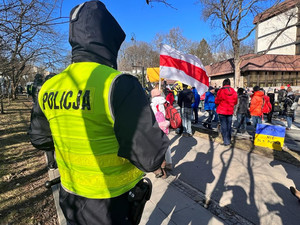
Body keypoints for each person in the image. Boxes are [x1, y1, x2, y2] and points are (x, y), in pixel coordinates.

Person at [28, 1, 169, 224]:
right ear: (110, 39)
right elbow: (150, 158)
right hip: (112, 203)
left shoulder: (49, 87)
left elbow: (39, 139)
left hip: (70, 196)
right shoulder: (119, 84)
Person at [215, 78, 238, 146]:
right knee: (229, 126)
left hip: (222, 111)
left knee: (224, 126)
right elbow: (235, 101)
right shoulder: (233, 91)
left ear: (223, 83)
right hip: (230, 111)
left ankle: (226, 141)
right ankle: (228, 139)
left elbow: (217, 101)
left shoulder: (220, 91)